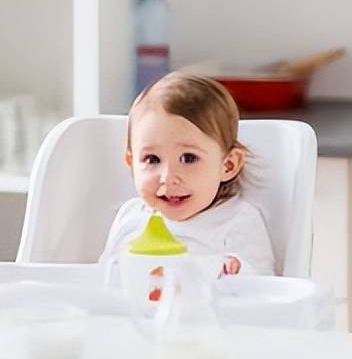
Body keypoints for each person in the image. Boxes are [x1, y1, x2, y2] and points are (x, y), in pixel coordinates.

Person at [99, 72, 274, 276]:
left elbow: (264, 286)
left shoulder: (237, 220)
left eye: (189, 158)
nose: (168, 177)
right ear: (131, 163)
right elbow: (103, 279)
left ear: (227, 165)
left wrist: (235, 271)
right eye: (152, 159)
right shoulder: (131, 217)